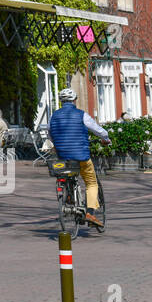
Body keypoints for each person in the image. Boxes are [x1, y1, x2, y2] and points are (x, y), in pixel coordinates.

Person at [48, 87, 110, 227]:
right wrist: (106, 138)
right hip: (80, 155)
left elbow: (50, 135)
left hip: (63, 157)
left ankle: (69, 195)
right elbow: (98, 130)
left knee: (67, 174)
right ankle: (90, 213)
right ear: (75, 100)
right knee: (91, 182)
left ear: (61, 101)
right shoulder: (81, 115)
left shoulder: (54, 116)